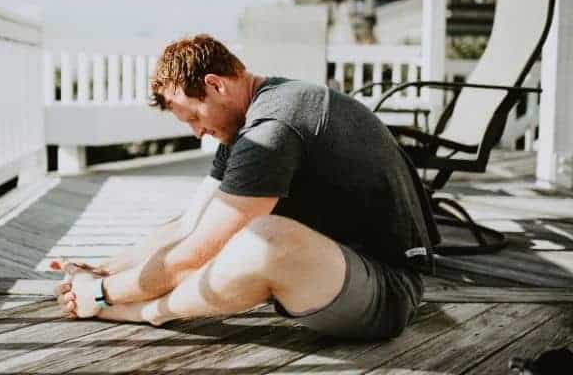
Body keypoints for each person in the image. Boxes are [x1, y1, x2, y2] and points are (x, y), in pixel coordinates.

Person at [53, 34, 437, 340]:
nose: (197, 131)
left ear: (215, 84)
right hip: (336, 270)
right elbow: (189, 225)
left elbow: (197, 253)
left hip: (387, 292)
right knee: (221, 230)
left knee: (263, 240)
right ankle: (125, 302)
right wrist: (104, 270)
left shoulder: (272, 128)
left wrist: (105, 295)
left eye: (194, 117)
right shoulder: (246, 125)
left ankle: (145, 313)